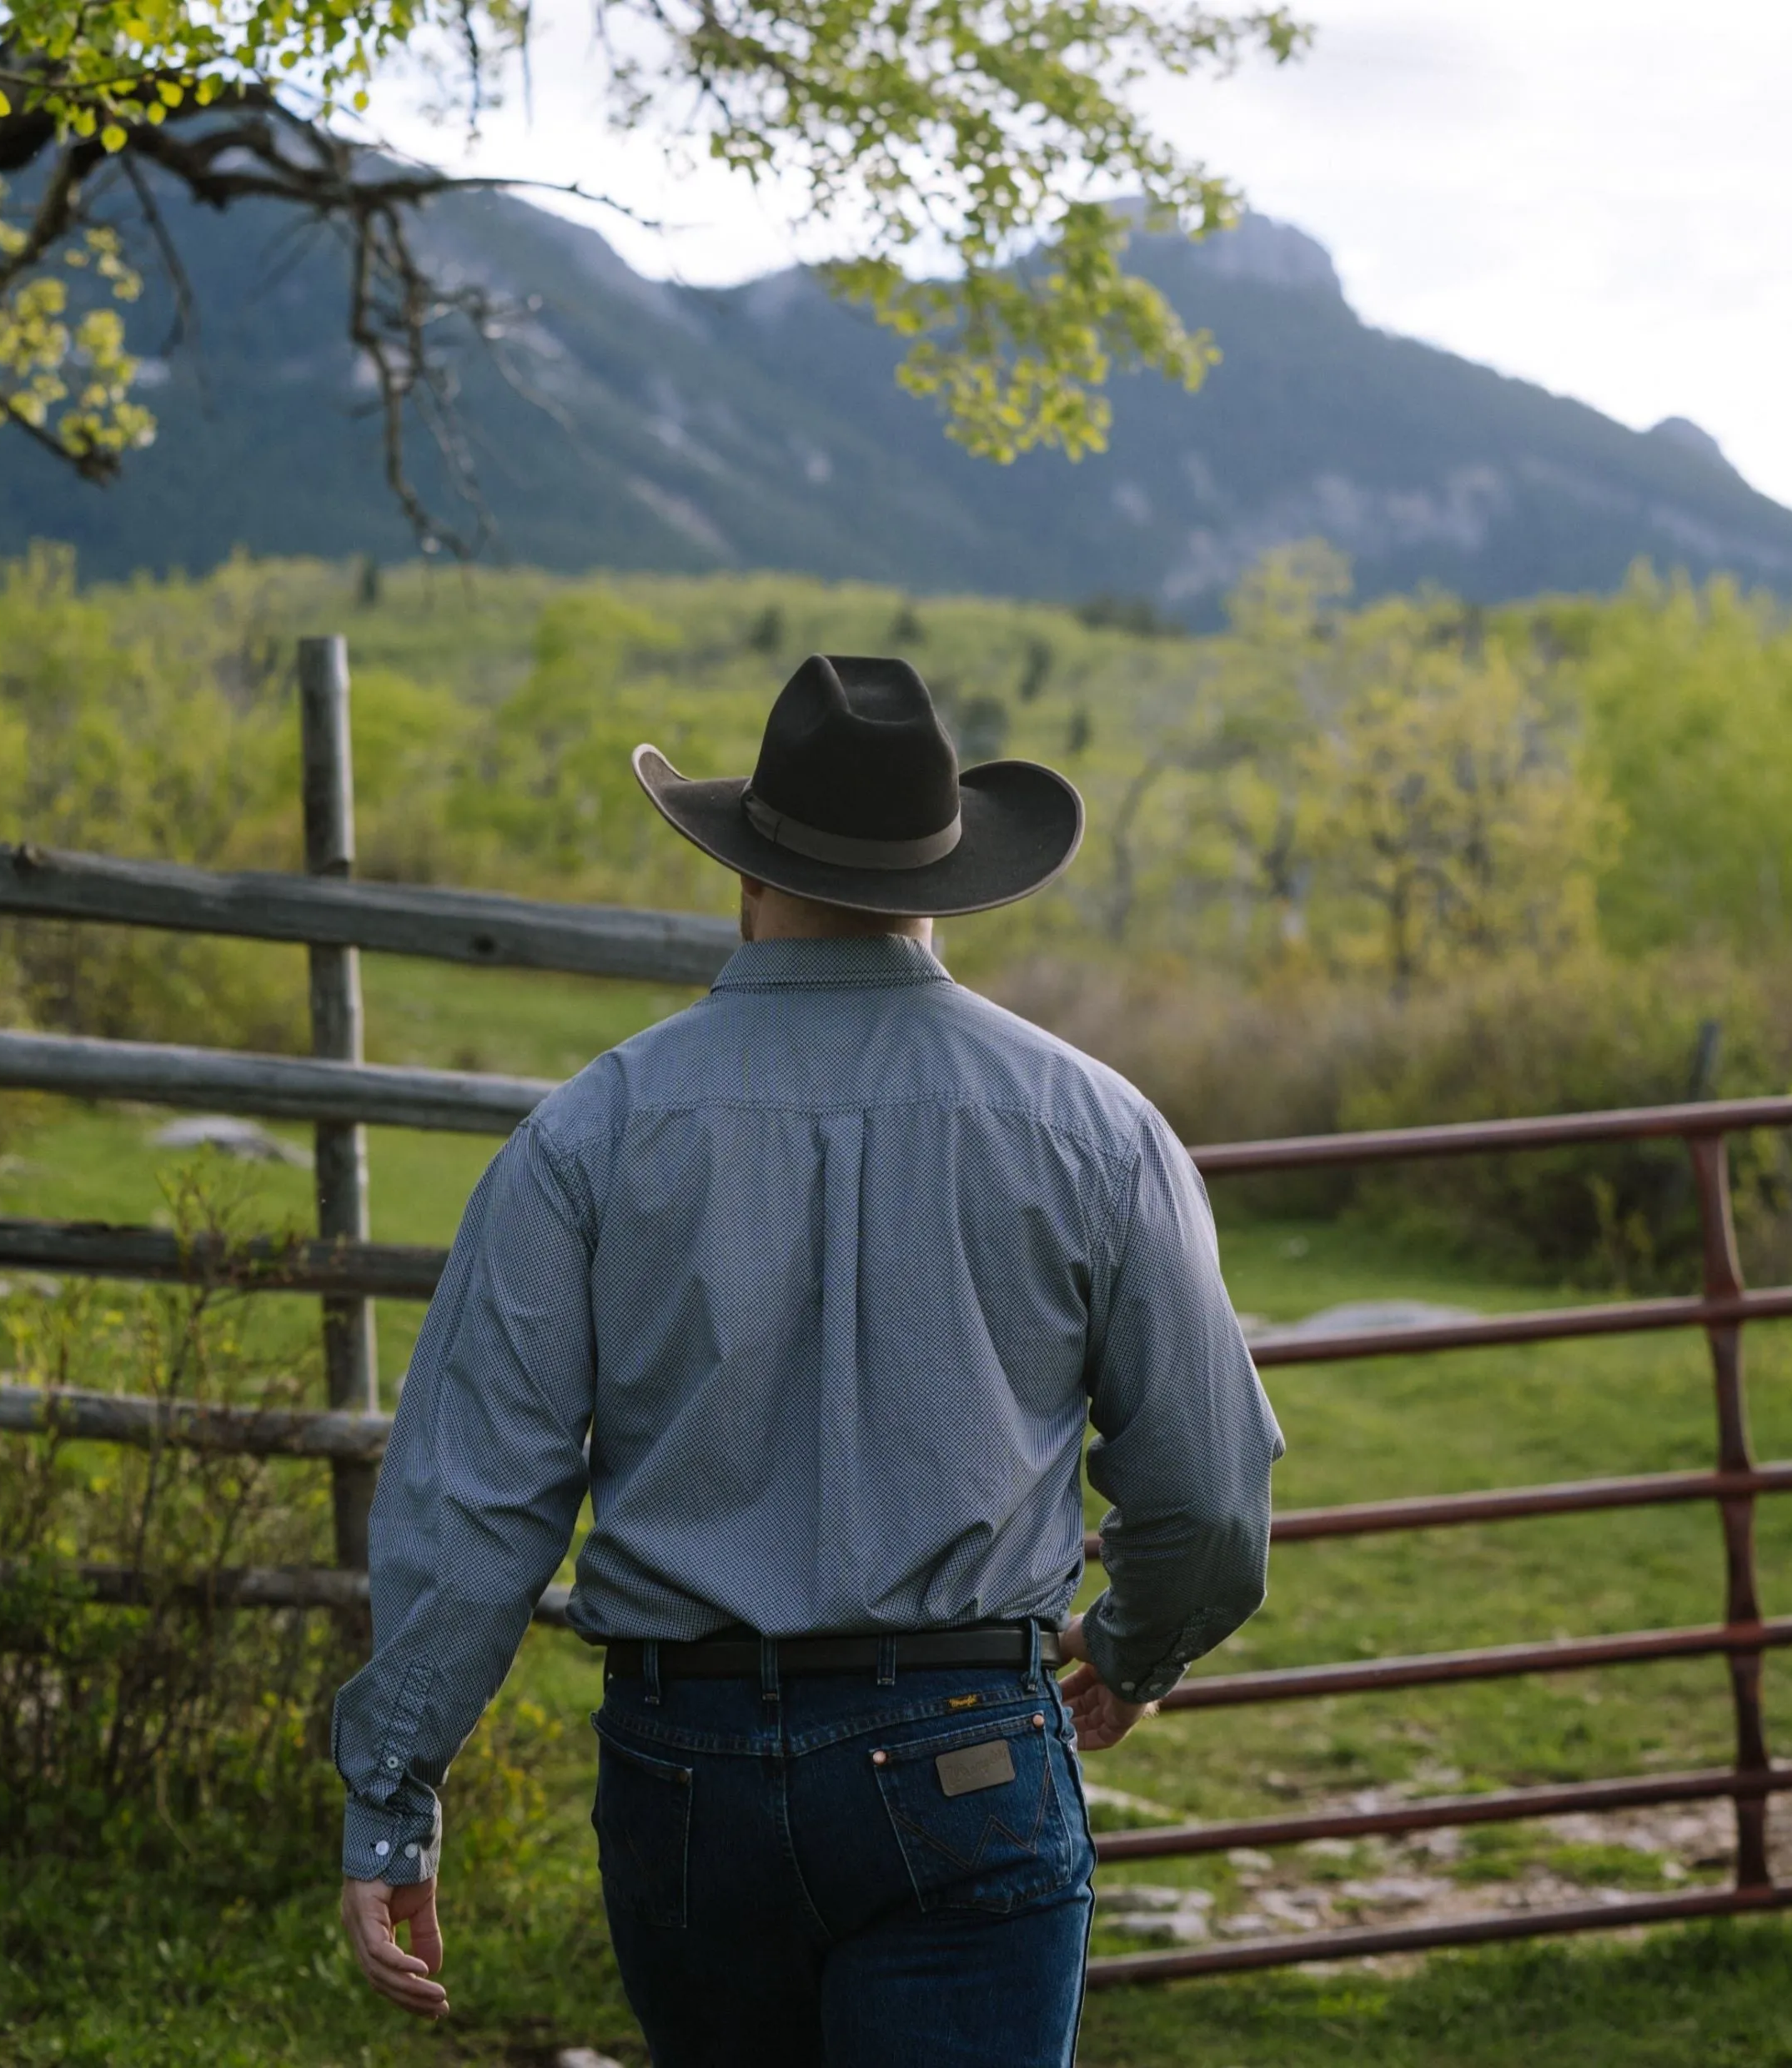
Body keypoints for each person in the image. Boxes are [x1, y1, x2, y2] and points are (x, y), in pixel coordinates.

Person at [334, 654, 1282, 2065]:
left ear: (745, 869)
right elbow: (1207, 1498)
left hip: (685, 1769)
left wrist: (394, 1793)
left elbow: (476, 1501)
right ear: (946, 878)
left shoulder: (590, 1136)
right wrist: (1135, 1654)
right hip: (971, 1747)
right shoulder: (1096, 1129)